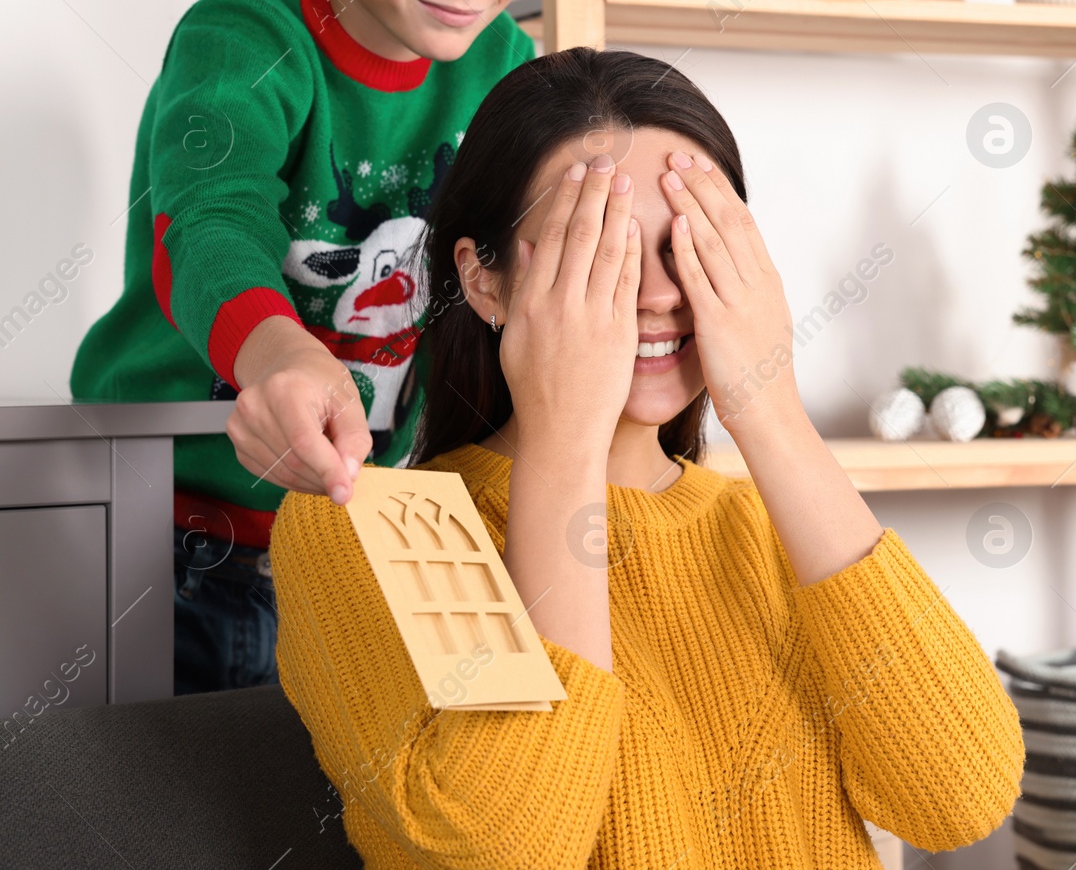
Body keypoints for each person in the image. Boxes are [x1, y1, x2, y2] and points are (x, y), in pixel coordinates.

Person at [269, 47, 1027, 867]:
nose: (658, 291)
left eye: (692, 245)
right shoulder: (376, 528)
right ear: (483, 281)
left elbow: (961, 793)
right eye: (598, 249)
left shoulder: (770, 521)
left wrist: (772, 412)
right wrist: (565, 438)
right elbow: (497, 850)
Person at [68, 0, 561, 694]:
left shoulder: (506, 69)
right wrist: (284, 355)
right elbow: (210, 222)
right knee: (156, 812)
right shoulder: (245, 40)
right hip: (169, 530)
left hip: (358, 531)